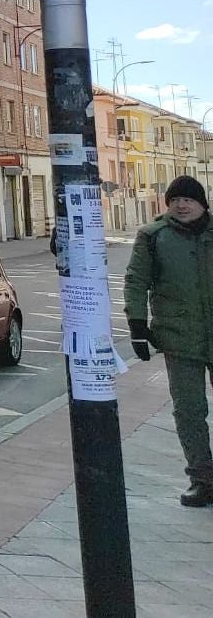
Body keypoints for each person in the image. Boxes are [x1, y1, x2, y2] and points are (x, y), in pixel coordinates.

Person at [124, 175, 213, 507]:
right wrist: (136, 324)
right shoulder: (153, 237)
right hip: (179, 338)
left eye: (188, 199)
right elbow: (136, 280)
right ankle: (202, 479)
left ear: (202, 202)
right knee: (189, 411)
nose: (181, 204)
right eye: (175, 199)